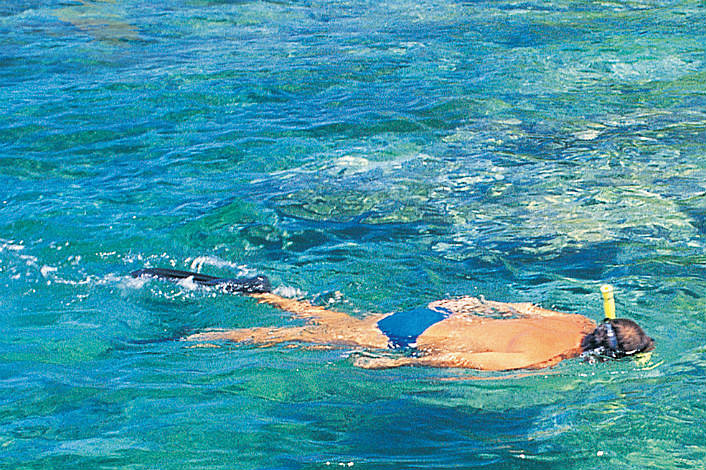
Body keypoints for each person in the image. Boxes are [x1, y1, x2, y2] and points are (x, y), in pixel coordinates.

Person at [132, 268, 655, 371]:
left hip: (435, 312)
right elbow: (458, 362)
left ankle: (263, 293)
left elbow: (517, 308)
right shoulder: (541, 358)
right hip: (413, 337)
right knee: (287, 339)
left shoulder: (574, 319)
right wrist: (396, 364)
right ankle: (196, 337)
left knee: (322, 318)